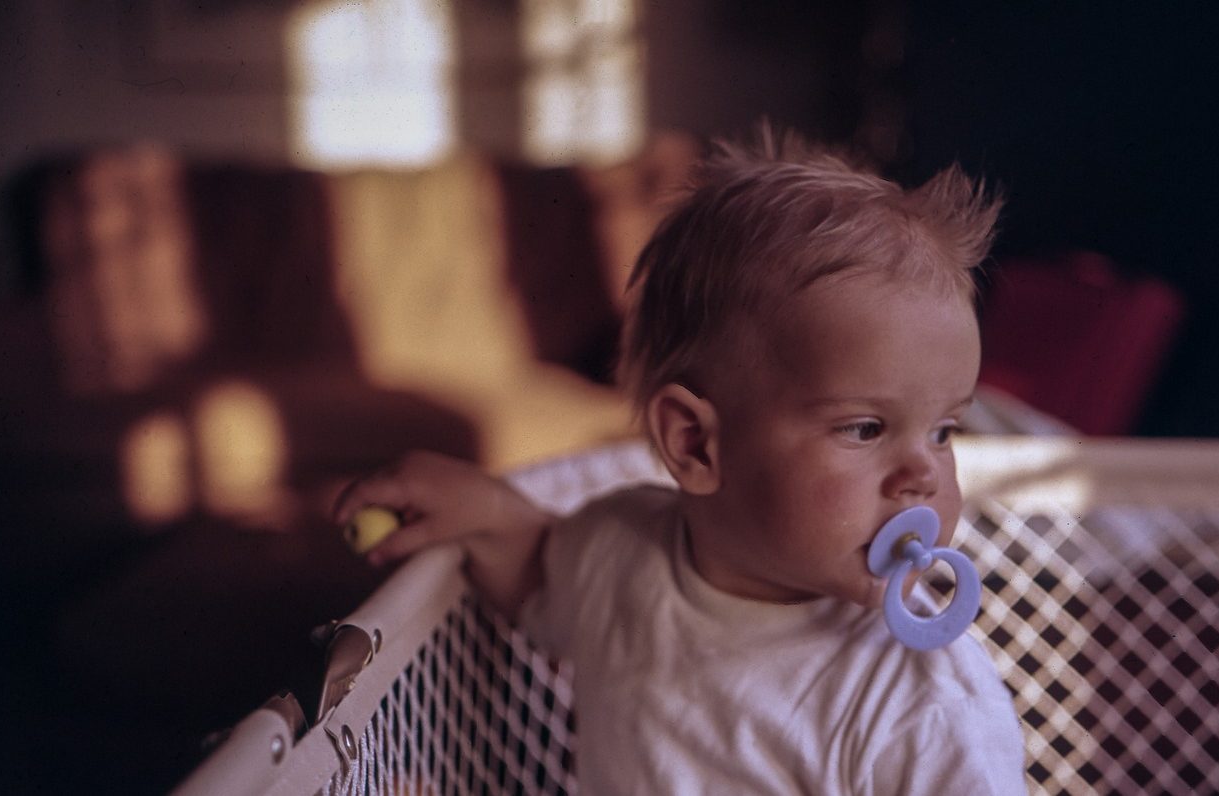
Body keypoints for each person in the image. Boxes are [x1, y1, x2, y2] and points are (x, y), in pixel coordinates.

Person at [333, 129, 1028, 794]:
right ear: (696, 443)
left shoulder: (921, 703)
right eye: (867, 428)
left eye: (944, 431)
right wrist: (483, 509)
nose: (925, 474)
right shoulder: (622, 556)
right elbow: (542, 572)